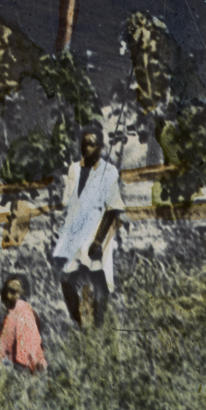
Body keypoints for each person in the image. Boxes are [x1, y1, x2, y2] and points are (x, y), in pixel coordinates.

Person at [49, 125, 126, 329]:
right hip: (75, 229)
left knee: (99, 277)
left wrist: (99, 241)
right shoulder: (74, 169)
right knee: (66, 278)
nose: (87, 148)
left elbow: (112, 210)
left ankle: (99, 325)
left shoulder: (109, 172)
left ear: (100, 147)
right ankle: (80, 322)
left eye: (92, 144)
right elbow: (69, 202)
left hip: (98, 229)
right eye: (84, 143)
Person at [0, 273, 46, 372]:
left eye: (17, 291)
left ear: (22, 292)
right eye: (11, 291)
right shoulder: (28, 310)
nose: (15, 295)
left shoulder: (18, 310)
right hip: (33, 363)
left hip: (22, 363)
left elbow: (7, 339)